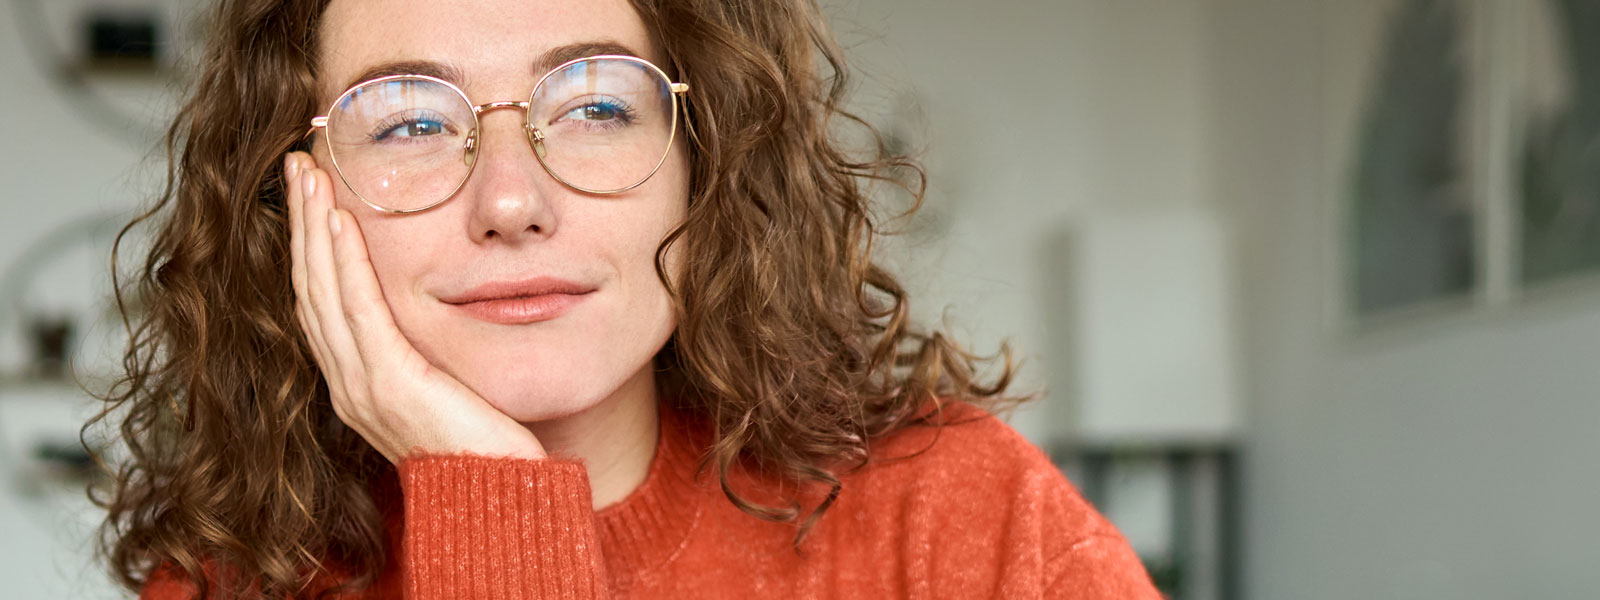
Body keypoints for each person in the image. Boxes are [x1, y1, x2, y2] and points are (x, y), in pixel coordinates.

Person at [88, 0, 1160, 598]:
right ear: (296, 197)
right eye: (410, 122)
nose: (511, 199)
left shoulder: (961, 527)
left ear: (707, 161)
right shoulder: (228, 590)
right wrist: (495, 504)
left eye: (597, 103)